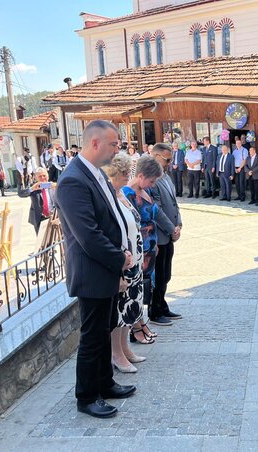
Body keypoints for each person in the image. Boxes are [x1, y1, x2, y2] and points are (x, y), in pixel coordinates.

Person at [55, 120, 135, 419]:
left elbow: (109, 217)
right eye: (114, 144)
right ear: (95, 143)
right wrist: (119, 258)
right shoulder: (73, 180)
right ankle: (87, 396)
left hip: (106, 269)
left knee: (104, 331)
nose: (118, 149)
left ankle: (105, 382)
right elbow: (87, 235)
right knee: (92, 337)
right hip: (92, 272)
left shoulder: (96, 173)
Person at [103, 154, 150, 373]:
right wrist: (120, 270)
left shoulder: (121, 193)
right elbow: (112, 231)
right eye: (123, 174)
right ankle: (116, 354)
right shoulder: (108, 196)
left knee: (130, 308)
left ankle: (125, 348)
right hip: (123, 264)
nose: (126, 177)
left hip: (135, 260)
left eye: (127, 173)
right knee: (120, 311)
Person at [123, 155, 165, 331]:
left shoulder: (144, 191)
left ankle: (142, 323)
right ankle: (136, 328)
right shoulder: (127, 193)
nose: (153, 185)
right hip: (138, 249)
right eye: (152, 180)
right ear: (141, 176)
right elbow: (131, 225)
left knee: (146, 288)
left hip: (149, 247)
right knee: (136, 290)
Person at [148, 144, 183, 326]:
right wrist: (171, 228)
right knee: (159, 274)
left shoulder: (166, 177)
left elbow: (174, 204)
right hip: (159, 235)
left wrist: (179, 225)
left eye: (171, 160)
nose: (169, 163)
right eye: (166, 159)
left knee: (166, 274)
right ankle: (154, 311)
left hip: (169, 234)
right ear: (155, 156)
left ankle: (162, 305)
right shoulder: (151, 180)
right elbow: (157, 210)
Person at [18, 167, 56, 234]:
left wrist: (56, 186)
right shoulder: (34, 187)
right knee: (41, 241)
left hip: (53, 216)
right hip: (39, 218)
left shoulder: (52, 186)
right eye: (40, 176)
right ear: (36, 178)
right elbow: (21, 194)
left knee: (54, 239)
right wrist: (32, 189)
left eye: (44, 175)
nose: (42, 178)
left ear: (48, 176)